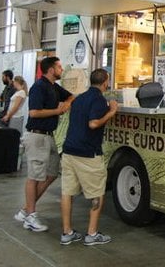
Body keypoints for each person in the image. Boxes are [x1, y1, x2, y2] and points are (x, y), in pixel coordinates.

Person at [14, 57, 74, 232]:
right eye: (59, 66)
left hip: (49, 136)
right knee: (34, 176)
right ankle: (31, 216)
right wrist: (58, 110)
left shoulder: (54, 87)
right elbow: (34, 113)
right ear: (50, 69)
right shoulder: (39, 87)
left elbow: (70, 96)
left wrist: (67, 103)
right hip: (37, 136)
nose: (61, 69)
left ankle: (26, 210)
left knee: (52, 172)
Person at [60, 68, 117, 246]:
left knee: (67, 192)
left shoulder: (79, 98)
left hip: (69, 151)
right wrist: (111, 112)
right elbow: (93, 124)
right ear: (105, 82)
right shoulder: (99, 100)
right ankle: (91, 234)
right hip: (88, 154)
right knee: (97, 193)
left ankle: (67, 232)